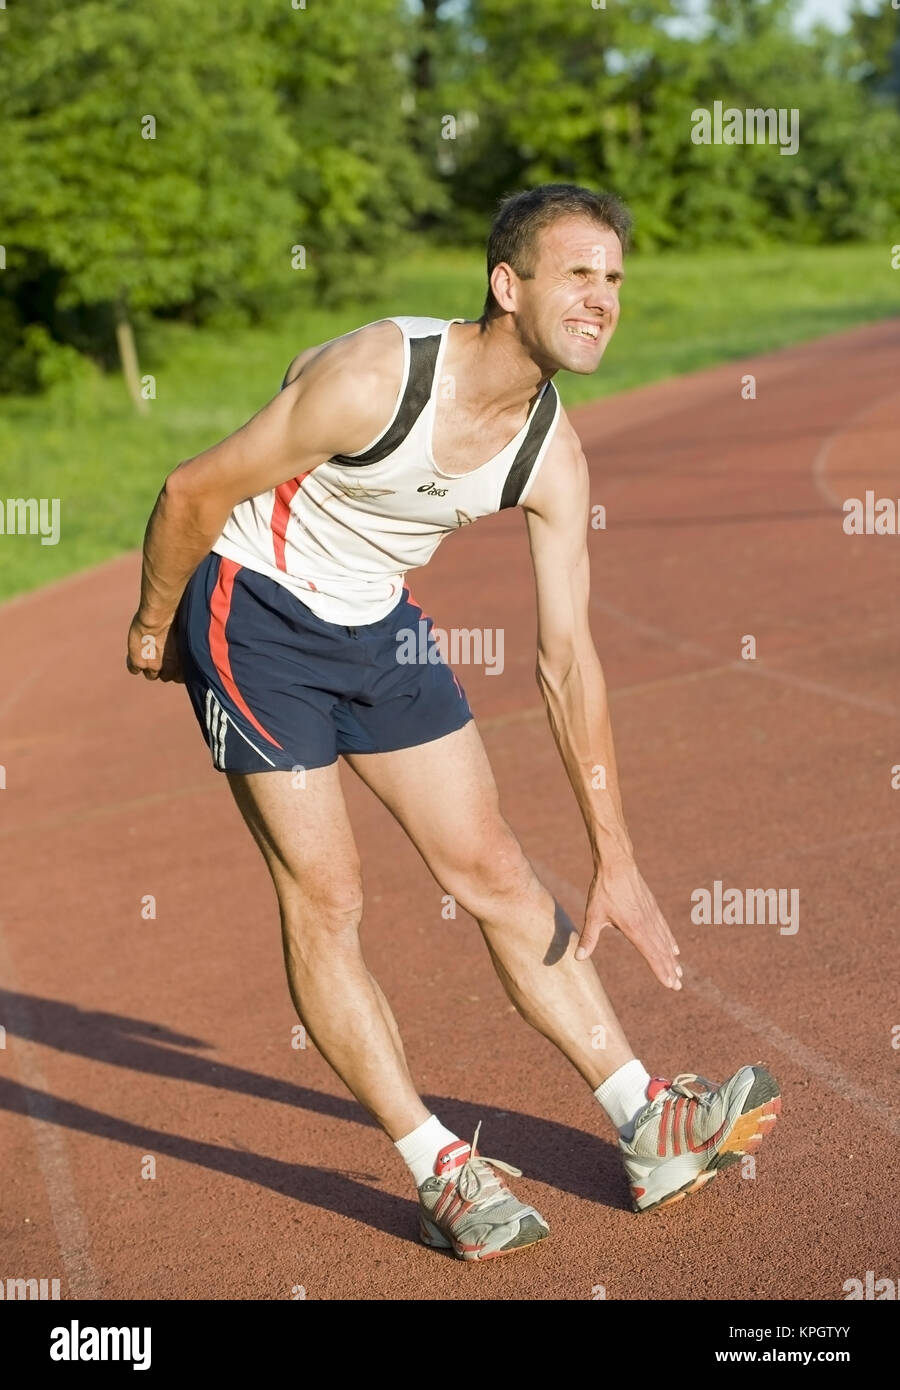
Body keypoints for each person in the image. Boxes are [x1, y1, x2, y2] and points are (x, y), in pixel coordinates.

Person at [126, 184, 780, 1262]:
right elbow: (189, 488)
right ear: (506, 285)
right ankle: (438, 1164)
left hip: (379, 625)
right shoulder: (380, 377)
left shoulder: (550, 454)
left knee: (496, 869)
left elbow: (568, 659)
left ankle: (646, 1118)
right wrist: (157, 628)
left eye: (615, 279)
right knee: (329, 894)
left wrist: (614, 855)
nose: (603, 298)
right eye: (579, 274)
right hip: (253, 611)